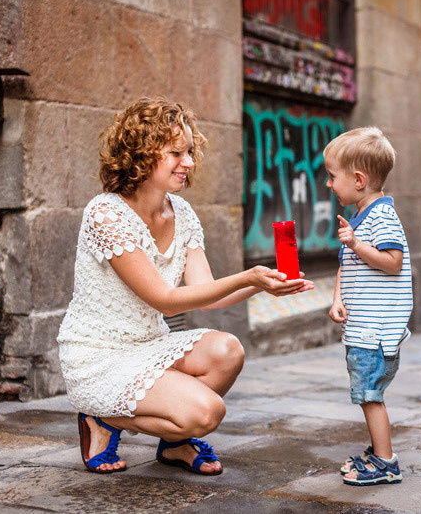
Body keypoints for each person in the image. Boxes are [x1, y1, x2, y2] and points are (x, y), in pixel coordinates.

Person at [57, 98, 313, 475]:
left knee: (228, 350)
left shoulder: (182, 213)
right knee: (207, 411)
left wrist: (264, 284)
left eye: (190, 151)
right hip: (99, 355)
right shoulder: (105, 213)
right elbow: (166, 301)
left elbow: (206, 294)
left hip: (149, 345)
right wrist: (246, 276)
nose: (189, 162)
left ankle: (175, 444)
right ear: (141, 154)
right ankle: (102, 418)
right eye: (176, 152)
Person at [324, 127, 412, 486]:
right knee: (366, 393)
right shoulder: (362, 216)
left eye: (332, 176)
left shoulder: (382, 218)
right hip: (362, 326)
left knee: (369, 396)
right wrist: (337, 297)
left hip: (376, 332)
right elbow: (348, 264)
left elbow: (392, 261)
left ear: (358, 180)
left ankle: (386, 462)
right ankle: (378, 452)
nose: (329, 185)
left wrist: (358, 244)